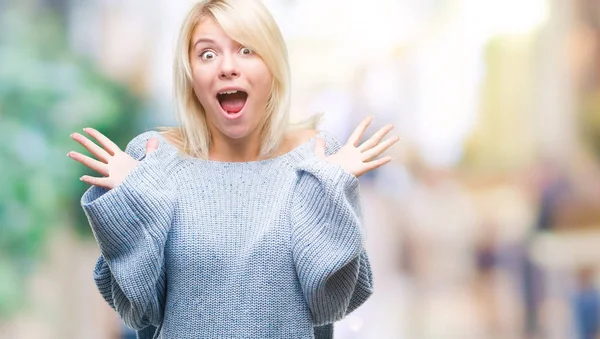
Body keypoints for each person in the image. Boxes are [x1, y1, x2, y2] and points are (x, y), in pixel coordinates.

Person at [67, 0, 398, 337]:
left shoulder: (318, 160)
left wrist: (327, 186)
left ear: (273, 66)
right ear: (190, 74)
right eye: (207, 54)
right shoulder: (152, 159)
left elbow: (330, 305)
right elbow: (139, 310)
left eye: (246, 50)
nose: (227, 67)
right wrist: (134, 202)